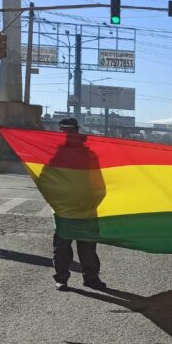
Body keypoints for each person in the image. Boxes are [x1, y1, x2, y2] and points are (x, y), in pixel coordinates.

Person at [49, 118, 106, 291]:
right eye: (64, 131)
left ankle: (91, 278)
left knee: (88, 248)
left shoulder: (88, 155)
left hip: (86, 210)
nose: (68, 134)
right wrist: (57, 202)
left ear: (77, 132)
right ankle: (61, 278)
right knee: (62, 248)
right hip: (64, 211)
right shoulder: (55, 156)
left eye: (71, 131)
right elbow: (46, 181)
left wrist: (92, 202)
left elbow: (99, 183)